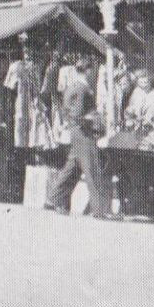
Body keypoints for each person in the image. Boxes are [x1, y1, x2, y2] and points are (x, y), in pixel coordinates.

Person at [45, 56, 112, 219]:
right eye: (92, 69)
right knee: (92, 168)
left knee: (73, 167)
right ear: (88, 70)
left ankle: (53, 199)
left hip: (77, 131)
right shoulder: (82, 88)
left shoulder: (74, 87)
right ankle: (99, 210)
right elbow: (79, 114)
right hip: (83, 132)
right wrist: (95, 122)